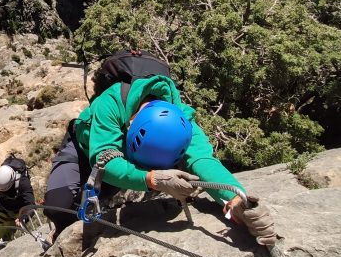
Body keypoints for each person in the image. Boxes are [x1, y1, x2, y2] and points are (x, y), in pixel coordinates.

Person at [44, 69, 276, 246]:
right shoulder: (111, 103)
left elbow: (203, 161)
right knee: (58, 208)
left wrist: (236, 201)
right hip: (82, 149)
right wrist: (152, 179)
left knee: (96, 202)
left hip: (122, 159)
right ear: (132, 124)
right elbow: (104, 158)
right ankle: (58, 235)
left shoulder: (183, 121)